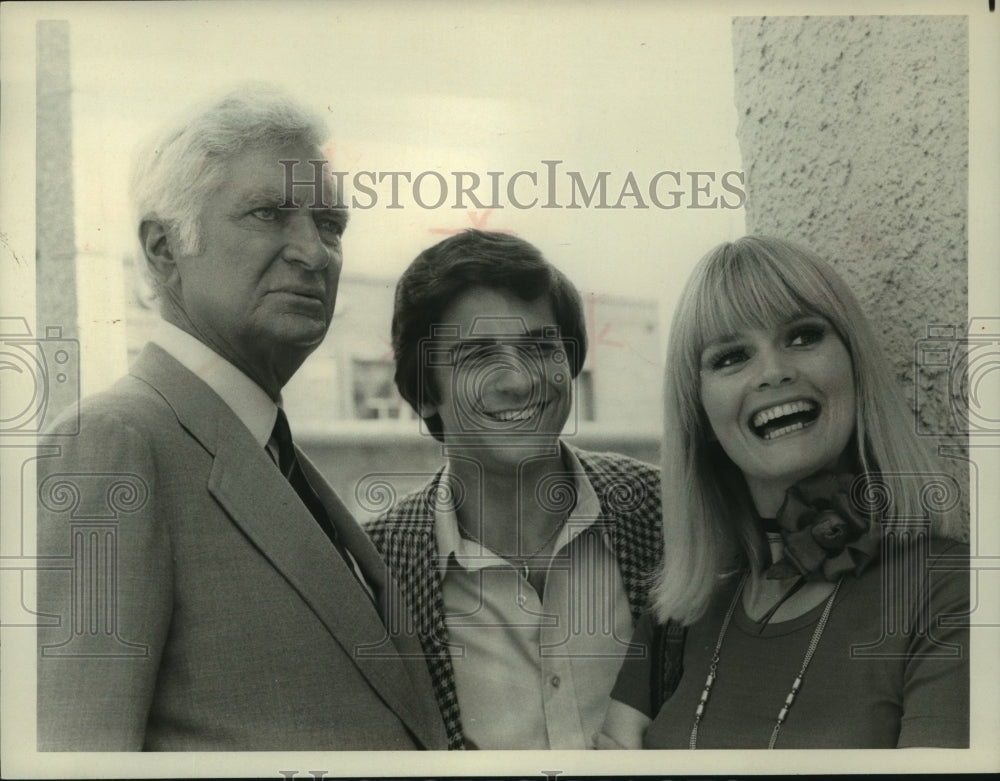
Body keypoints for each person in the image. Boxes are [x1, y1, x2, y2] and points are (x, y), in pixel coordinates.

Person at [35, 86, 447, 751]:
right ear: (164, 247)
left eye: (331, 224)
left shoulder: (271, 453)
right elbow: (77, 757)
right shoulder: (113, 441)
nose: (315, 253)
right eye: (268, 213)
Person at [598, 235, 969, 749]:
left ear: (855, 367)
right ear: (700, 414)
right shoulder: (680, 614)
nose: (773, 372)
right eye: (731, 357)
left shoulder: (951, 593)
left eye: (802, 336)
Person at [363, 230, 665, 749]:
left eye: (540, 345)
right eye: (477, 354)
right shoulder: (371, 569)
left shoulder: (666, 512)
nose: (519, 381)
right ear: (424, 392)